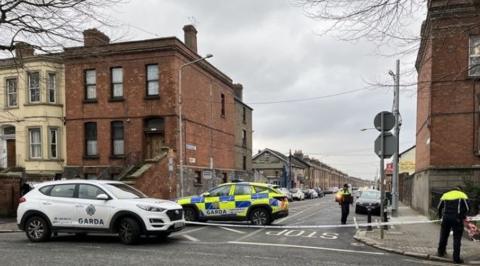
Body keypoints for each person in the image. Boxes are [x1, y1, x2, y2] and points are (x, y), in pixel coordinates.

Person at [437, 186, 469, 264]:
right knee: (457, 238)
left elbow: (439, 207)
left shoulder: (445, 195)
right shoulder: (462, 195)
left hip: (446, 218)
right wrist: (462, 216)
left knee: (443, 235)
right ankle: (456, 258)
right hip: (457, 219)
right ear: (460, 190)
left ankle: (441, 252)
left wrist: (440, 216)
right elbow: (467, 208)